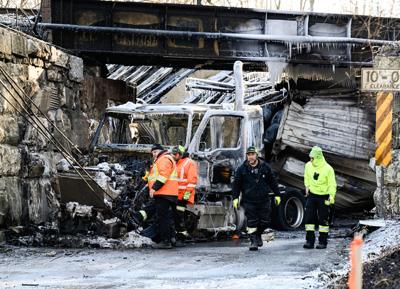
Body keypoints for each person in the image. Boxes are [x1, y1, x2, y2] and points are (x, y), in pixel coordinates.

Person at [232, 146, 282, 251]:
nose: (250, 157)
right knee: (252, 222)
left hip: (264, 199)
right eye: (248, 155)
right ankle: (253, 241)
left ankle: (258, 234)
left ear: (256, 155)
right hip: (249, 200)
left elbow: (273, 181)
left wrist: (277, 194)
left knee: (265, 221)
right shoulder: (242, 169)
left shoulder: (265, 167)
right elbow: (236, 184)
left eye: (252, 154)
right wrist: (235, 198)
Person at [303, 146, 336, 249]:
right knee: (309, 218)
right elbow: (307, 176)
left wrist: (331, 196)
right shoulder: (308, 165)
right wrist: (307, 186)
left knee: (323, 221)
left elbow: (332, 184)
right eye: (310, 157)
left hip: (324, 197)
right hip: (312, 196)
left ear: (317, 157)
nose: (310, 159)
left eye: (312, 158)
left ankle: (323, 242)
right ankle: (309, 241)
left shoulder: (328, 169)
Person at [147, 144, 179, 249]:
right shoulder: (166, 158)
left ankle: (166, 241)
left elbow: (163, 175)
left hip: (163, 193)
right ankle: (172, 239)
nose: (154, 155)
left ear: (159, 151)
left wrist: (154, 188)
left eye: (155, 152)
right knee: (168, 217)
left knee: (163, 218)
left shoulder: (163, 159)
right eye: (153, 153)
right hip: (169, 193)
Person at [171, 145, 198, 245]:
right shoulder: (175, 162)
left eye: (175, 154)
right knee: (175, 216)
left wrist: (185, 197)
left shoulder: (190, 163)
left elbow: (192, 182)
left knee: (179, 216)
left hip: (183, 195)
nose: (174, 156)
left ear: (180, 154)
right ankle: (177, 235)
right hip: (173, 195)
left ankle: (181, 237)